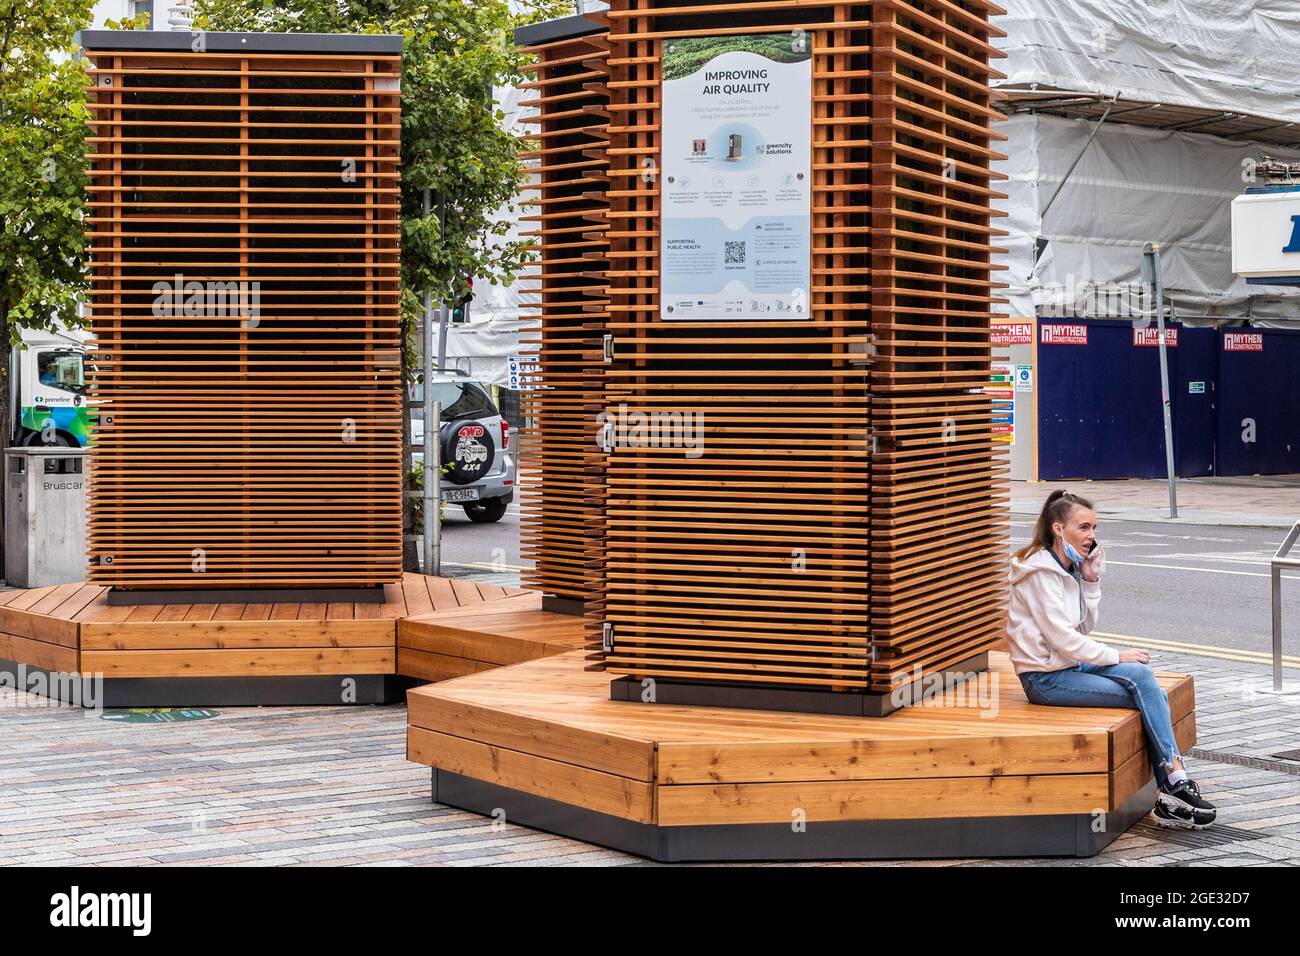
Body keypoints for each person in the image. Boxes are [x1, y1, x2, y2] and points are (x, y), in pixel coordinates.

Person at [1007, 490, 1217, 829]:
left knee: (1142, 677)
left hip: (1068, 663)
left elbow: (1083, 627)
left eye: (1094, 527)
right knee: (1149, 698)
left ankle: (1173, 782)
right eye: (1084, 527)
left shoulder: (1068, 567)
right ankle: (1174, 782)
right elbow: (1062, 637)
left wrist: (1090, 582)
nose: (1091, 536)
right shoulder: (1040, 573)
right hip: (1044, 678)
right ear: (1058, 528)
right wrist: (1116, 655)